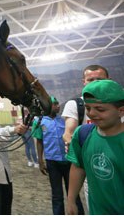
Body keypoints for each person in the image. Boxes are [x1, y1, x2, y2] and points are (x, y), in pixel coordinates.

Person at [66, 79, 124, 216]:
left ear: (121, 111)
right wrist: (71, 200)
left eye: (100, 109)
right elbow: (78, 167)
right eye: (88, 108)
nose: (91, 113)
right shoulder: (82, 134)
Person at [33, 96, 84, 215]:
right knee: (57, 194)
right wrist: (40, 160)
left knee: (73, 192)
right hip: (52, 162)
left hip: (67, 161)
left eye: (58, 103)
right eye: (55, 104)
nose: (58, 106)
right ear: (47, 106)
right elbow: (39, 141)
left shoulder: (64, 119)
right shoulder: (39, 121)